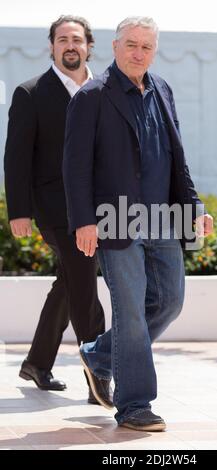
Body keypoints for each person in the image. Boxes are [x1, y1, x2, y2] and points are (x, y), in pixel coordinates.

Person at [63, 16, 213, 431]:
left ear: (154, 51)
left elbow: (175, 157)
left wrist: (195, 207)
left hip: (164, 216)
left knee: (169, 301)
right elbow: (75, 167)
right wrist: (83, 221)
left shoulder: (162, 89)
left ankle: (97, 356)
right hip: (115, 220)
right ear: (114, 47)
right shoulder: (91, 96)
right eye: (131, 45)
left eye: (147, 47)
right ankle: (134, 405)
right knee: (130, 311)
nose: (139, 53)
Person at [4, 15, 105, 402]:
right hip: (54, 208)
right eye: (62, 39)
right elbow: (16, 157)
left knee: (70, 281)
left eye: (77, 39)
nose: (70, 45)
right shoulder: (30, 93)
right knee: (83, 280)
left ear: (88, 46)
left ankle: (37, 362)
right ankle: (101, 373)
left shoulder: (105, 89)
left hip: (101, 208)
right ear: (51, 46)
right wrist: (19, 210)